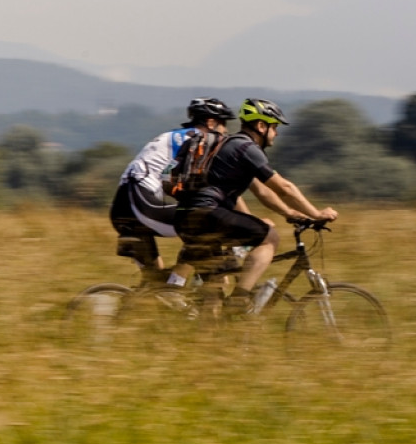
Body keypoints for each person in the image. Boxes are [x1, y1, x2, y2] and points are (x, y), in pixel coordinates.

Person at [172, 98, 338, 309]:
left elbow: (263, 192)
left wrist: (290, 213)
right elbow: (283, 187)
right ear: (261, 125)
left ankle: (212, 337)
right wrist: (316, 213)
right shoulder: (246, 148)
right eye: (274, 127)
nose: (276, 133)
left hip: (185, 218)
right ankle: (239, 300)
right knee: (269, 236)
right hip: (208, 215)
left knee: (214, 289)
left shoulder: (229, 147)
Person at [110, 97, 235, 286]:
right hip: (140, 200)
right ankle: (175, 286)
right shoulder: (200, 140)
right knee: (202, 226)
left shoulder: (176, 136)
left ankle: (137, 307)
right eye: (224, 124)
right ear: (211, 123)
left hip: (123, 205)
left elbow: (176, 183)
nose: (226, 131)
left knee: (154, 282)